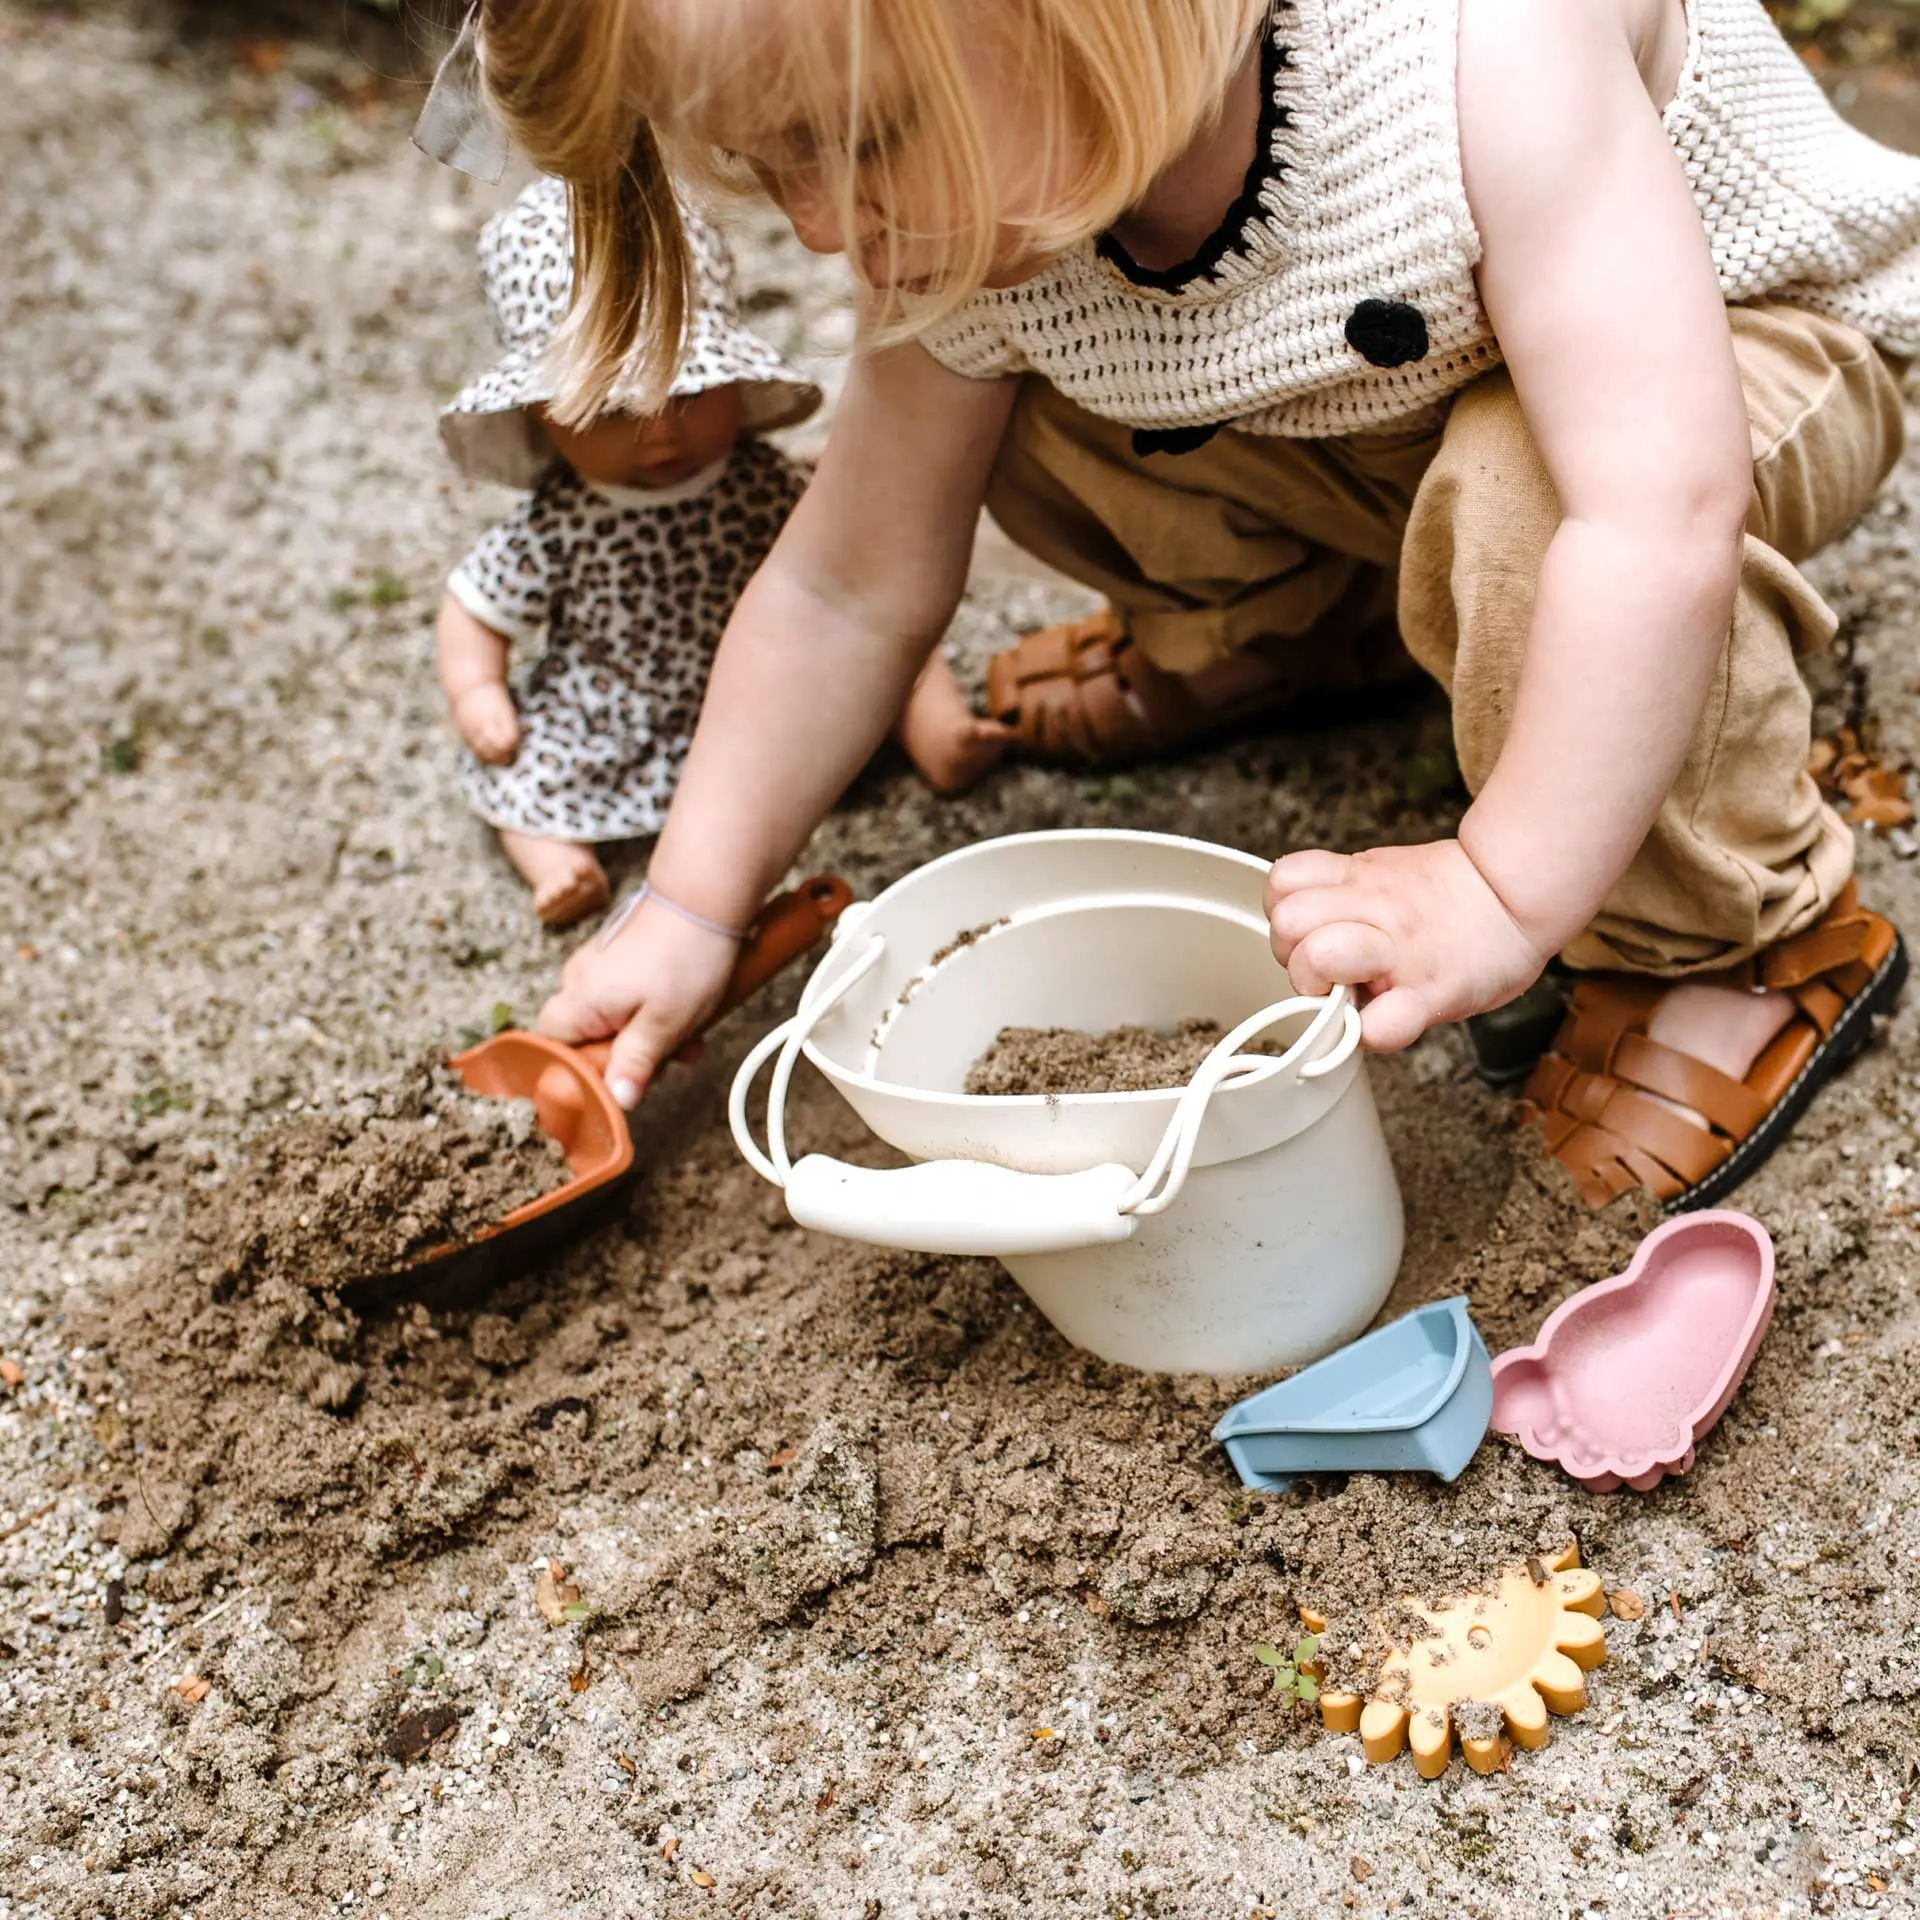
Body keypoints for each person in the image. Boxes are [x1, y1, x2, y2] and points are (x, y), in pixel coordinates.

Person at [455, 0, 1914, 1210]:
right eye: (768, 165)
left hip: (1734, 363)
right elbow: (851, 581)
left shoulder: (1477, 51)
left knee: (1530, 508)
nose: (824, 225)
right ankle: (1294, 633)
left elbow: (1652, 516)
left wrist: (1503, 885)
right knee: (989, 419)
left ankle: (1728, 940)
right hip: (1383, 420)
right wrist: (694, 904)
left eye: (860, 140)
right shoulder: (997, 184)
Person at [435, 176, 1006, 925]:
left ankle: (940, 729)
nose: (662, 434)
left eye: (689, 393)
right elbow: (475, 607)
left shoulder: (758, 482)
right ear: (542, 419)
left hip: (770, 686)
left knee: (890, 638)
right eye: (612, 412)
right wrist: (479, 692)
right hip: (612, 708)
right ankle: (559, 865)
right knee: (518, 784)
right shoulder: (559, 520)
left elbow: (856, 579)